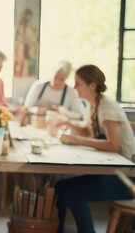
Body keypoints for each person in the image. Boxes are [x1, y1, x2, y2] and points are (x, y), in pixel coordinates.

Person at [54, 64, 135, 233]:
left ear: (92, 85)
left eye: (78, 83)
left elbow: (114, 145)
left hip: (128, 177)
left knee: (74, 194)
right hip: (113, 171)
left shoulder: (108, 106)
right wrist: (66, 122)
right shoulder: (92, 104)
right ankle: (57, 230)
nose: (74, 87)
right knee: (60, 187)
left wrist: (77, 140)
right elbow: (88, 132)